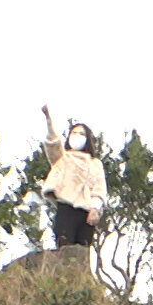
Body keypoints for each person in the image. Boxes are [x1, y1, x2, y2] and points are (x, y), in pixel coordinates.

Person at [39, 105, 107, 249]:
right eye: (74, 133)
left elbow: (99, 189)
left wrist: (95, 209)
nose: (77, 136)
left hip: (86, 213)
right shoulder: (62, 158)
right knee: (64, 248)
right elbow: (53, 145)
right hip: (66, 209)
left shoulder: (95, 164)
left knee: (82, 253)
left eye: (81, 134)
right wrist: (49, 122)